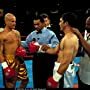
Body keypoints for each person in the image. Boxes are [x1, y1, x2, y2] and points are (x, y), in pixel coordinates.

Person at [41, 12, 79, 88]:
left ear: (66, 23)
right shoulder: (65, 37)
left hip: (63, 70)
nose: (59, 23)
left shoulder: (69, 39)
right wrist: (40, 48)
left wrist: (55, 78)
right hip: (60, 69)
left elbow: (66, 62)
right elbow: (55, 50)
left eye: (61, 21)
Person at [21, 13, 59, 88]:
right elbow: (26, 43)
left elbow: (57, 45)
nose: (36, 26)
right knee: (37, 79)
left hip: (47, 59)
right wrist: (17, 41)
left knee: (47, 80)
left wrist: (47, 46)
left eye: (37, 24)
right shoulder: (32, 34)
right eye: (34, 24)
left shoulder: (50, 33)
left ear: (43, 23)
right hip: (36, 59)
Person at [0, 13, 29, 88]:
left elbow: (19, 46)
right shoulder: (2, 35)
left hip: (19, 59)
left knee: (25, 80)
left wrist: (22, 51)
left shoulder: (17, 33)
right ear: (6, 21)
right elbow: (0, 52)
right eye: (12, 21)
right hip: (8, 61)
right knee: (10, 84)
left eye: (15, 21)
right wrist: (5, 66)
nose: (14, 23)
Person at [72, 16, 90, 88]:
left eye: (88, 24)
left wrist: (79, 35)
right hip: (82, 72)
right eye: (86, 24)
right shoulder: (87, 33)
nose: (86, 26)